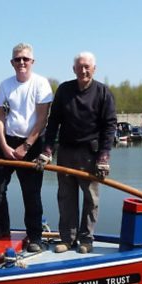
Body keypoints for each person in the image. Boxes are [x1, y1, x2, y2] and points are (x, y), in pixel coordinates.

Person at [38, 51, 117, 254]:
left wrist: (104, 157)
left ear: (94, 69)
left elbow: (109, 126)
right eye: (79, 67)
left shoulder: (103, 92)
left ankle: (86, 239)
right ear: (74, 69)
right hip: (65, 152)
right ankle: (67, 238)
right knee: (66, 197)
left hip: (90, 155)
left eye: (87, 67)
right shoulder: (64, 90)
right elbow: (53, 122)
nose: (83, 70)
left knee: (91, 199)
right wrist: (47, 150)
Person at [0, 43, 53, 252]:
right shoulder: (5, 85)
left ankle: (35, 236)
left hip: (32, 145)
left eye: (25, 59)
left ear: (32, 61)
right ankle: (2, 228)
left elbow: (42, 119)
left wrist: (26, 146)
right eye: (17, 59)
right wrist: (4, 145)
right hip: (7, 142)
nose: (21, 62)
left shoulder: (41, 84)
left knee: (31, 194)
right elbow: (0, 117)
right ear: (12, 62)